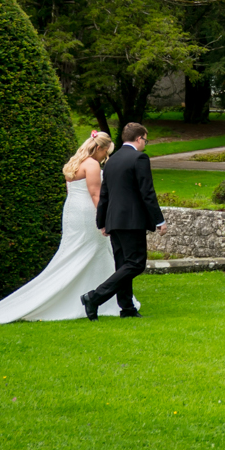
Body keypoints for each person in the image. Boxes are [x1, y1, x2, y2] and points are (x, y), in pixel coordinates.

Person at [0, 130, 141, 326]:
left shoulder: (74, 163)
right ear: (99, 148)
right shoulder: (91, 164)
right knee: (91, 252)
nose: (106, 157)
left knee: (82, 253)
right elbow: (95, 194)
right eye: (106, 153)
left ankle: (105, 298)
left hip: (72, 210)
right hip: (87, 212)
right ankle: (97, 298)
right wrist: (103, 220)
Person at [80, 122, 165, 320]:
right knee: (135, 264)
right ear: (138, 138)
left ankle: (127, 308)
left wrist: (102, 222)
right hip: (132, 221)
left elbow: (105, 195)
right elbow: (147, 192)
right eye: (145, 139)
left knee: (123, 265)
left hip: (114, 220)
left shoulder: (111, 160)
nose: (145, 143)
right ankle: (94, 297)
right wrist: (159, 220)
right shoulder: (139, 158)